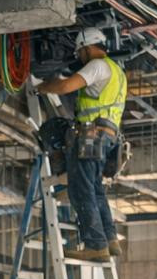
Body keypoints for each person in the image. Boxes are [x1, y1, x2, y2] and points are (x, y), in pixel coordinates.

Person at [33, 27, 127, 262]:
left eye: (80, 52)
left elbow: (65, 87)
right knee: (95, 189)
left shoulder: (97, 65)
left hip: (92, 134)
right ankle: (110, 238)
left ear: (87, 47)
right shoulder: (118, 72)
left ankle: (95, 245)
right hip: (108, 137)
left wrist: (43, 87)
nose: (79, 57)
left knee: (82, 189)